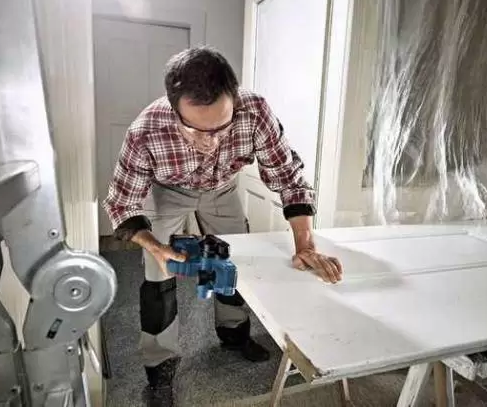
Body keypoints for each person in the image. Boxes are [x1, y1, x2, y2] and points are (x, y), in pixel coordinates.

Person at [102, 46, 343, 405]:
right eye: (195, 130)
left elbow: (289, 178)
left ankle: (234, 334)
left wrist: (305, 245)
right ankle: (159, 367)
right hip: (167, 191)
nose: (211, 141)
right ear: (174, 109)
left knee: (230, 260)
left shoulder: (255, 111)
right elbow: (122, 203)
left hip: (222, 187)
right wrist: (155, 247)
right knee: (158, 276)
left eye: (221, 127)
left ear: (234, 98)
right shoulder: (145, 130)